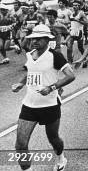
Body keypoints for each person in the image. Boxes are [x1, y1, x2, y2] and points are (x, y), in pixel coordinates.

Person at [11, 24, 75, 171]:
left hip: (50, 104)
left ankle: (60, 157)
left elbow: (71, 76)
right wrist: (20, 84)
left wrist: (52, 87)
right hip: (29, 105)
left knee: (53, 138)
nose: (35, 41)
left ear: (47, 39)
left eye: (39, 38)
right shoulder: (30, 54)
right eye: (33, 38)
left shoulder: (55, 56)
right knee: (20, 144)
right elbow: (31, 72)